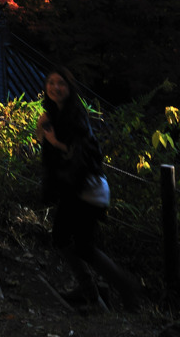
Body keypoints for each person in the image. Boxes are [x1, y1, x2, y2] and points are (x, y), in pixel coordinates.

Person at [36, 66, 140, 311]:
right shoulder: (54, 116)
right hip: (77, 189)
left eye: (61, 83)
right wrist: (45, 136)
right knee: (71, 242)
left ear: (69, 89)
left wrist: (55, 142)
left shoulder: (75, 117)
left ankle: (105, 293)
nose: (55, 87)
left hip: (87, 189)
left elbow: (84, 154)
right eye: (51, 82)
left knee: (73, 242)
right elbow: (51, 159)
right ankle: (95, 291)